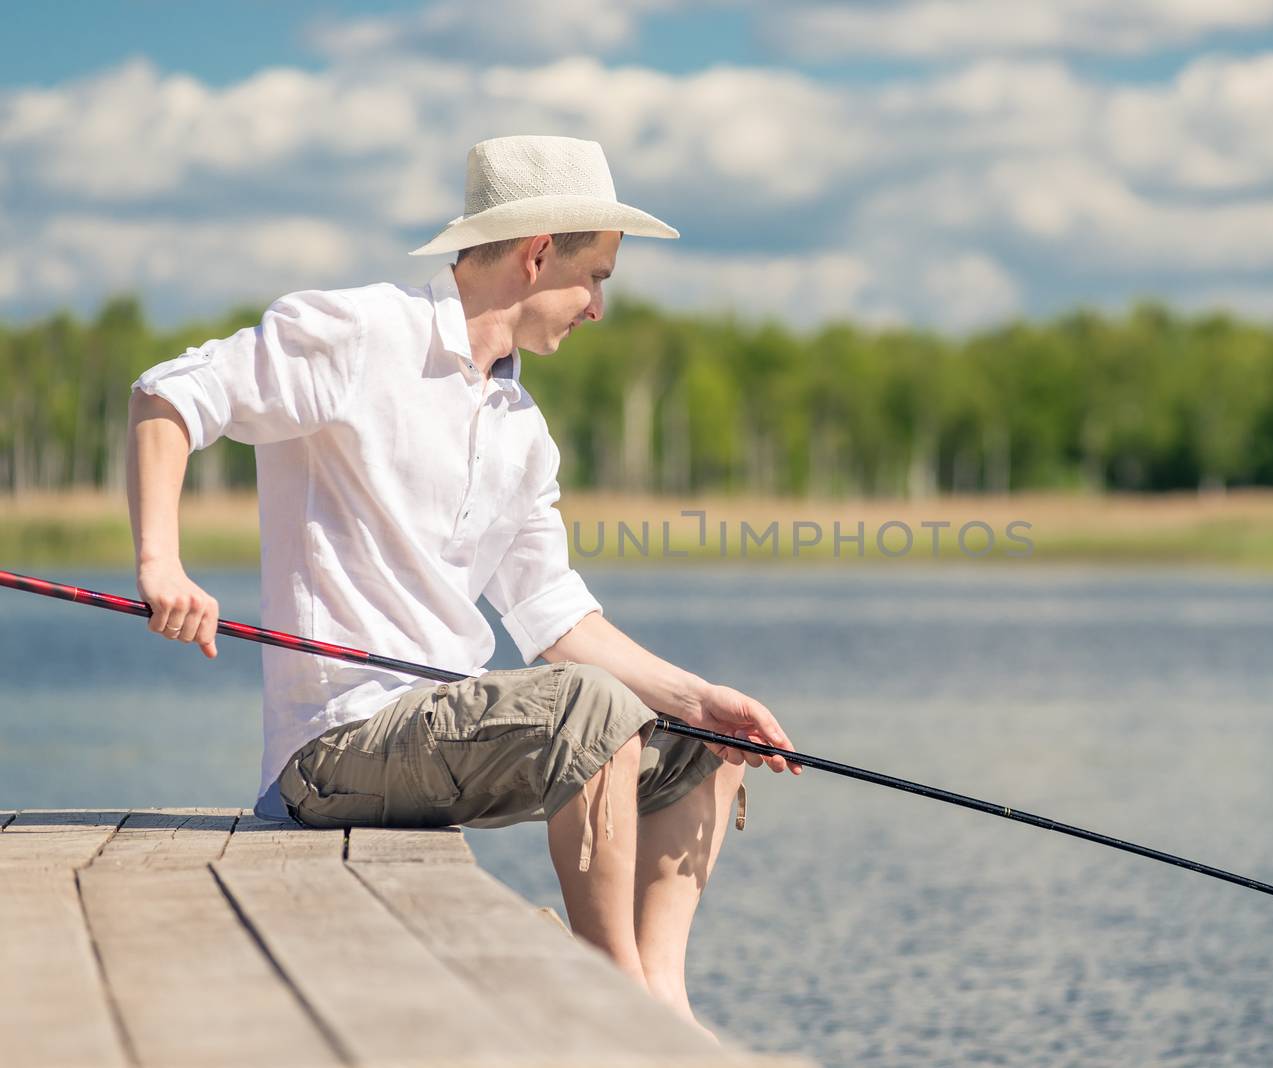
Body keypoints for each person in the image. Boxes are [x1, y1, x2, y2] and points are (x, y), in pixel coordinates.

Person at [124, 134, 799, 1035]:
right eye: (595, 275)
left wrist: (700, 698)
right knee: (591, 709)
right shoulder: (359, 333)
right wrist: (160, 565)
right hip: (334, 752)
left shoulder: (521, 426)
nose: (599, 306)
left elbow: (554, 615)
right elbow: (168, 395)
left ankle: (666, 1009)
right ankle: (616, 1014)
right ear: (535, 254)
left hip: (451, 730)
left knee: (687, 739)